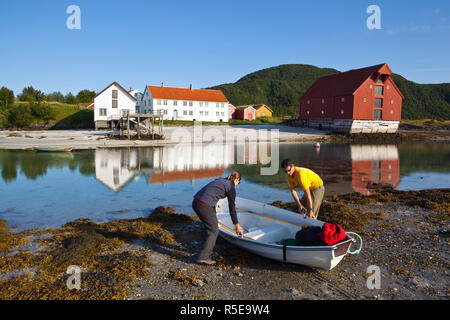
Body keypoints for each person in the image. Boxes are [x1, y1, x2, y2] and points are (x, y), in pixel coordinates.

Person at [192, 171, 244, 265]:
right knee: (214, 230)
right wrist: (237, 225)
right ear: (237, 179)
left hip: (196, 201)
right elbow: (232, 208)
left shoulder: (220, 180)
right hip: (204, 205)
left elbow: (211, 194)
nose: (237, 185)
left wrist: (214, 215)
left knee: (210, 226)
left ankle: (204, 249)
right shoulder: (231, 187)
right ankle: (203, 257)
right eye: (238, 183)